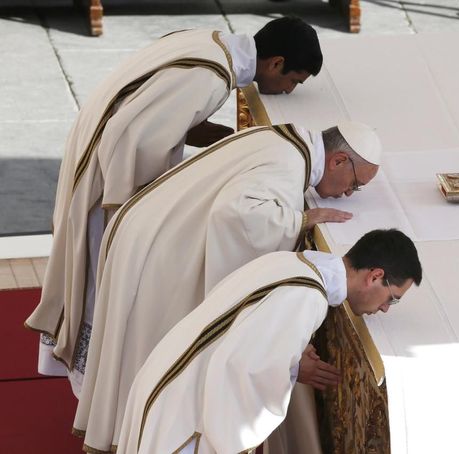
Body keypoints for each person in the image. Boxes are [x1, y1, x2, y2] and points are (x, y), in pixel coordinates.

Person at [24, 17, 323, 392]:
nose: (289, 90)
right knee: (106, 281)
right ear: (275, 63)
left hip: (92, 143)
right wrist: (161, 202)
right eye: (293, 81)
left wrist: (198, 130)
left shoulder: (209, 41)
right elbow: (130, 135)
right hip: (109, 181)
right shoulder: (211, 78)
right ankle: (100, 387)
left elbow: (149, 105)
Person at [73, 121, 382, 453]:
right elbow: (233, 214)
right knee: (148, 348)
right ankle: (135, 437)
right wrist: (299, 220)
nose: (349, 194)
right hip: (160, 255)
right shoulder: (289, 170)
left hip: (151, 229)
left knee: (150, 359)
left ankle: (131, 433)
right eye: (355, 185)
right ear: (337, 161)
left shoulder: (289, 140)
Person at [116, 229, 422, 454]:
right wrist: (292, 368)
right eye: (391, 299)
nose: (383, 309)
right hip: (186, 415)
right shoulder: (308, 299)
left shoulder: (293, 263)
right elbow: (245, 369)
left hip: (168, 379)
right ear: (375, 276)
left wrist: (291, 353)